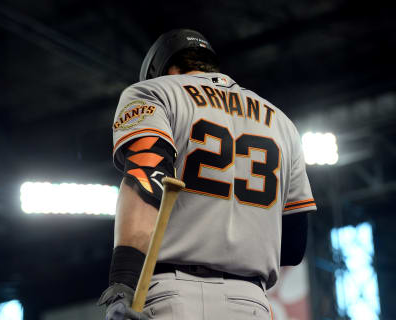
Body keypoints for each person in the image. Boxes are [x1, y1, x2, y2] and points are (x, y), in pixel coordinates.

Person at [98, 29, 316, 320]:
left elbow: (145, 177)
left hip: (173, 296)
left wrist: (123, 282)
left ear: (165, 71)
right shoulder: (282, 123)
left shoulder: (156, 91)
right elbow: (293, 245)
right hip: (252, 302)